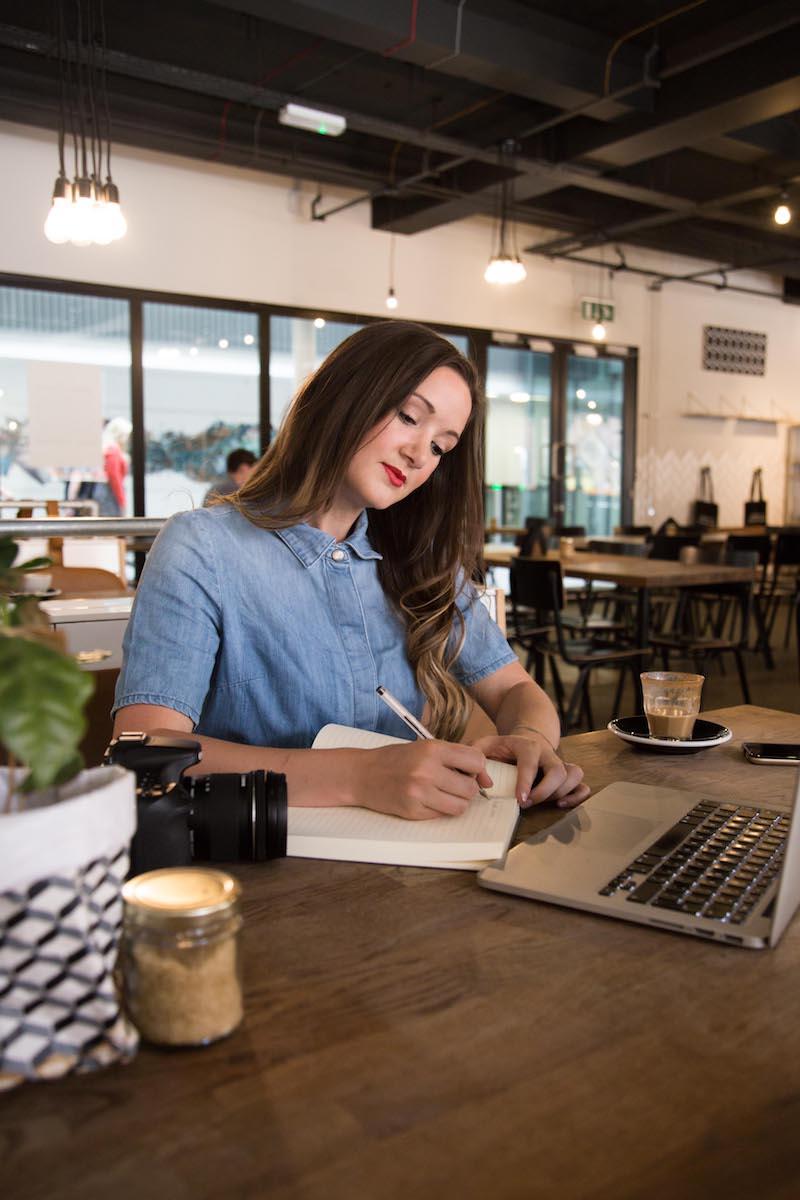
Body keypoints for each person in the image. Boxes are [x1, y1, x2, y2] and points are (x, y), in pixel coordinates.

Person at [113, 321, 589, 818]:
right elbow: (147, 752)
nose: (418, 455)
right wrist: (360, 775)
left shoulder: (419, 560)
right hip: (261, 853)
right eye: (409, 417)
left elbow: (514, 689)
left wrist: (530, 740)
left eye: (439, 447)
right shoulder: (203, 548)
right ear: (345, 395)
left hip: (410, 850)